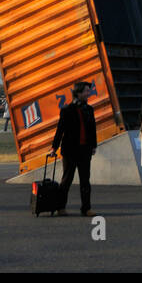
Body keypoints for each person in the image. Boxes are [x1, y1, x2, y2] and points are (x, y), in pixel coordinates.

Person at [51, 81, 97, 216]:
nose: (88, 93)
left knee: (85, 180)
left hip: (85, 150)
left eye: (89, 91)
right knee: (67, 179)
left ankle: (86, 208)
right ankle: (61, 207)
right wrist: (54, 147)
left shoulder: (89, 109)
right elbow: (60, 130)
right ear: (78, 93)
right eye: (86, 91)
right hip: (70, 151)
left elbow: (92, 129)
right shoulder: (67, 110)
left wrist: (93, 145)